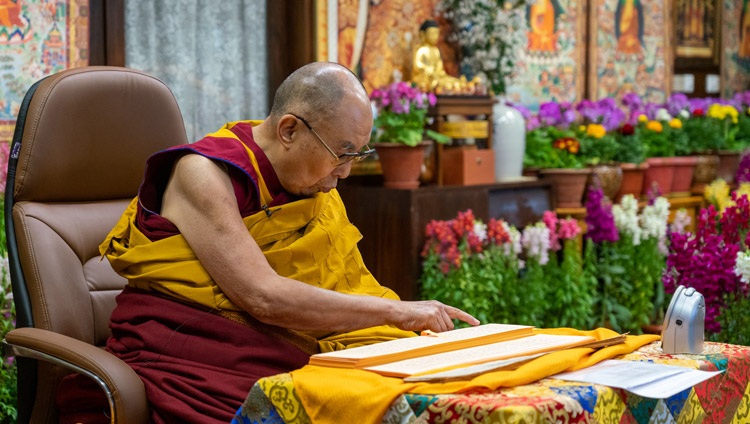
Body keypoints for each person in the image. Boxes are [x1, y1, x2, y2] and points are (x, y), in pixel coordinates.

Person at [57, 62, 478, 423]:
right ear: (289, 129)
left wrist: (404, 328)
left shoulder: (314, 189)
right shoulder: (202, 174)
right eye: (341, 152)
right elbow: (263, 297)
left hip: (290, 347)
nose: (346, 173)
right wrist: (397, 312)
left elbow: (340, 288)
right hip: (198, 359)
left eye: (357, 155)